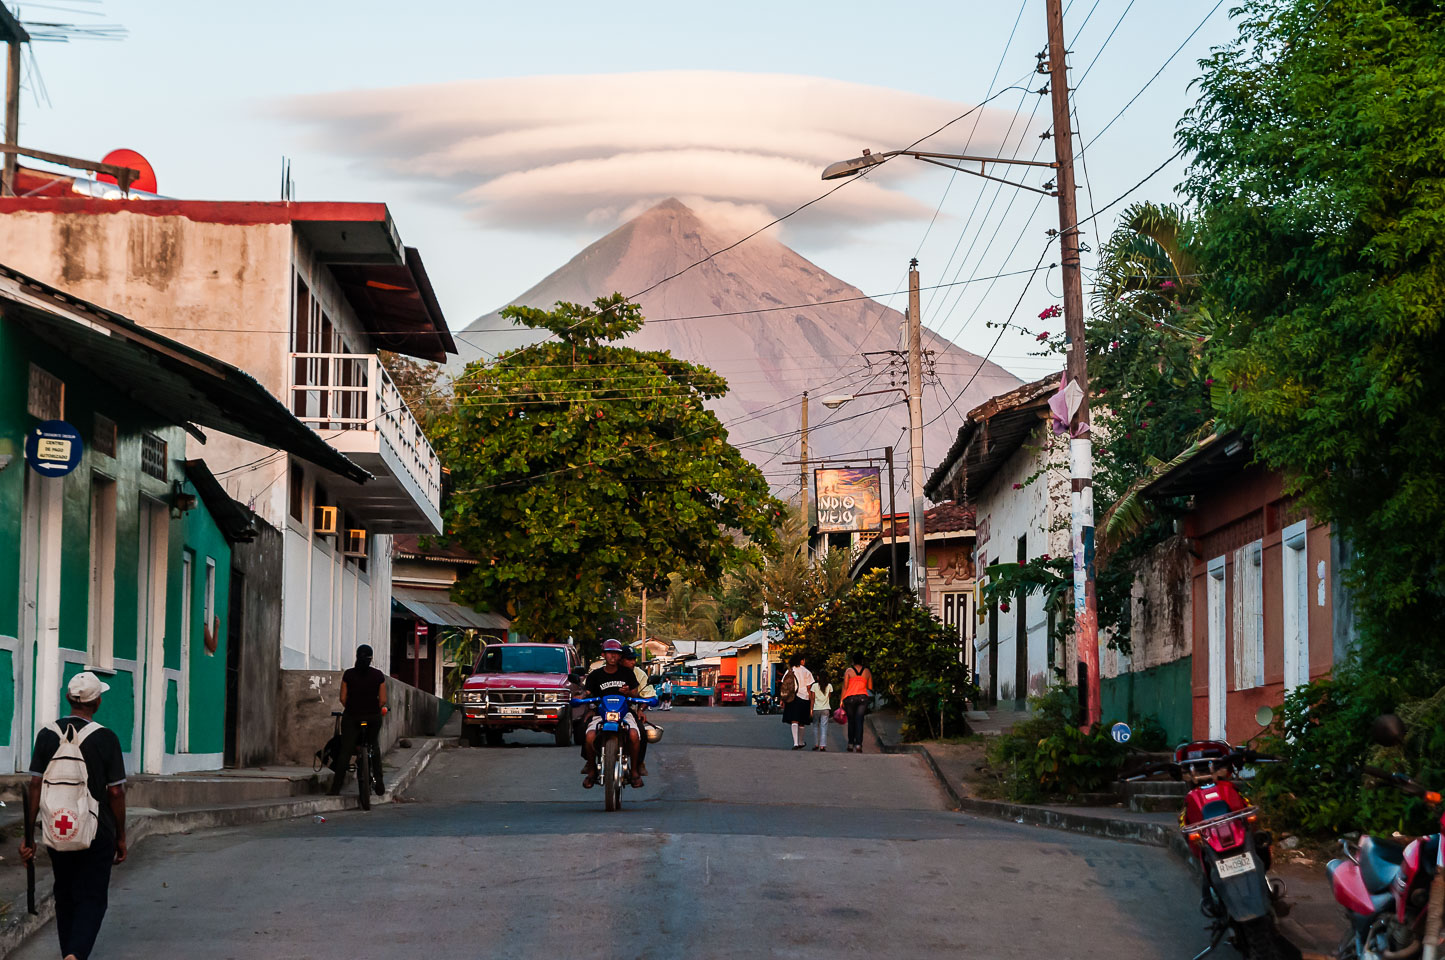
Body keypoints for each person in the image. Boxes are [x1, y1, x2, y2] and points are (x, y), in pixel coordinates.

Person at [20, 671, 127, 960]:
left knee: (65, 894)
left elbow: (34, 785)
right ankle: (75, 955)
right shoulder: (106, 738)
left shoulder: (46, 735)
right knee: (92, 896)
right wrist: (121, 837)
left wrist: (29, 838)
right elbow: (116, 793)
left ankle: (69, 951)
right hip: (97, 830)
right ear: (98, 702)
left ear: (68, 698)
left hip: (59, 829)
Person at [582, 639, 643, 788]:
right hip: (601, 713)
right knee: (589, 736)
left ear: (620, 656)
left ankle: (634, 771)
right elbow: (587, 693)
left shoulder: (627, 673)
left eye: (616, 654)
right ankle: (591, 770)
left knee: (635, 734)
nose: (613, 657)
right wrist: (581, 697)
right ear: (603, 654)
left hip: (624, 713)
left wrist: (628, 692)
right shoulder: (595, 675)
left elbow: (635, 693)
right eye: (609, 653)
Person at [328, 644, 387, 795]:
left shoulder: (348, 674)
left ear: (356, 656)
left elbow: (342, 698)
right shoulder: (378, 675)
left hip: (352, 717)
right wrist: (373, 708)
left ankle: (335, 788)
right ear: (371, 658)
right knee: (374, 747)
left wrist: (354, 708)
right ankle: (379, 783)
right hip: (373, 717)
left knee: (346, 751)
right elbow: (383, 700)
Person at [621, 646, 656, 776]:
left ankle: (638, 764)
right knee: (588, 729)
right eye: (629, 659)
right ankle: (590, 762)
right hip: (606, 710)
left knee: (640, 731)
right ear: (621, 659)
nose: (633, 662)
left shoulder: (639, 674)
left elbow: (649, 695)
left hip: (629, 711)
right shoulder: (605, 671)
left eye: (634, 659)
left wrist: (641, 710)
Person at [780, 654, 815, 750]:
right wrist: (812, 701)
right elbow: (809, 687)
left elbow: (784, 685)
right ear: (801, 661)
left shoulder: (789, 671)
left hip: (792, 697)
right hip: (804, 697)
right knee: (802, 721)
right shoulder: (806, 672)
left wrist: (782, 699)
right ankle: (801, 742)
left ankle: (795, 743)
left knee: (794, 720)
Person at [841, 652, 874, 752]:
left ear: (853, 661)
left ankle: (850, 744)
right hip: (862, 698)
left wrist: (841, 700)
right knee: (859, 720)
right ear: (862, 660)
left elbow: (845, 686)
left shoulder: (848, 671)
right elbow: (870, 687)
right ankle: (858, 744)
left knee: (851, 721)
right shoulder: (867, 671)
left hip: (850, 698)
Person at [810, 673, 834, 752]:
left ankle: (816, 744)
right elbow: (829, 696)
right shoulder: (829, 686)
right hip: (825, 709)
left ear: (818, 677)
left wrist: (811, 709)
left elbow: (812, 699)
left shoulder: (814, 686)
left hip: (816, 708)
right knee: (824, 727)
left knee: (815, 726)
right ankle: (822, 746)